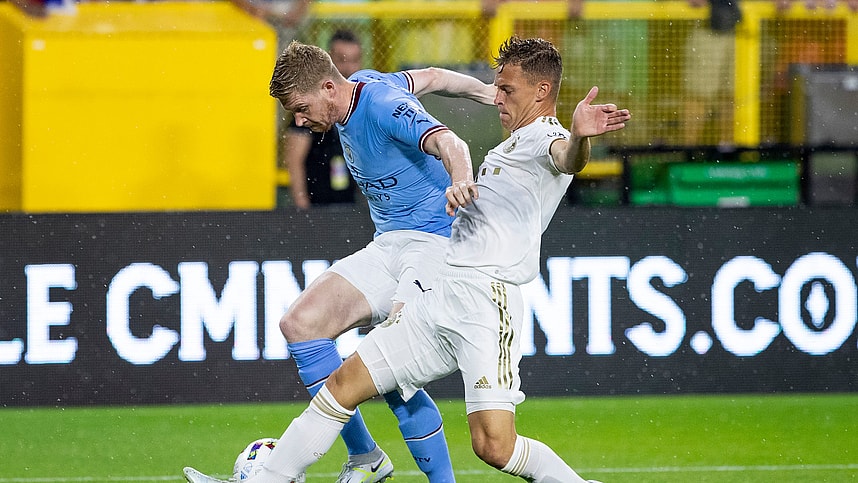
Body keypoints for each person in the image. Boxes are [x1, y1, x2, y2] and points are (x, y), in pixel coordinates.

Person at [185, 36, 630, 482]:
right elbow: (435, 78)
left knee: (494, 446)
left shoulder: (544, 137)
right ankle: (274, 478)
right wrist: (481, 92)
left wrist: (576, 138)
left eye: (506, 90)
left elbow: (565, 159)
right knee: (343, 386)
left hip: (484, 299)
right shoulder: (504, 142)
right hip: (442, 290)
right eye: (496, 87)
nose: (496, 98)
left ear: (541, 92)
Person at [183, 41, 499, 483]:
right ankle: (365, 456)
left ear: (329, 87)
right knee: (300, 324)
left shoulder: (383, 104)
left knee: (387, 371)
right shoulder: (368, 85)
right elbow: (432, 77)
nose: (297, 119)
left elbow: (451, 142)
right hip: (390, 245)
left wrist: (461, 180)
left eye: (300, 107)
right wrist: (483, 91)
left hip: (435, 246)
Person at [283, 29, 362, 209]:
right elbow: (294, 162)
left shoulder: (361, 104)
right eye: (342, 60)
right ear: (329, 62)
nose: (349, 68)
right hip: (318, 206)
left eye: (354, 60)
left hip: (350, 205)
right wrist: (303, 208)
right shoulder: (309, 105)